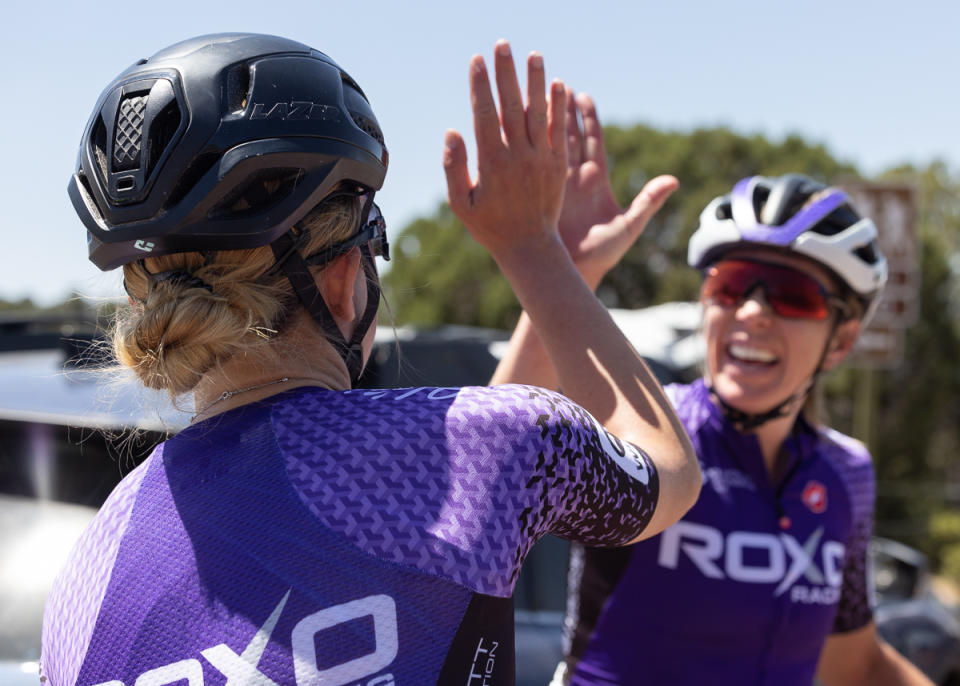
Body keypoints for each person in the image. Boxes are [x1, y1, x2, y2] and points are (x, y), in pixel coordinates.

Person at [40, 35, 700, 686]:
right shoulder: (497, 446)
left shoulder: (90, 568)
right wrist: (537, 253)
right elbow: (668, 473)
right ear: (340, 277)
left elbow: (458, 504)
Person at [492, 93, 934, 685]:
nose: (752, 312)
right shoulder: (647, 432)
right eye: (732, 286)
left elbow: (857, 665)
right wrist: (569, 270)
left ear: (843, 340)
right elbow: (492, 475)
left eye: (791, 295)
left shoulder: (847, 474)